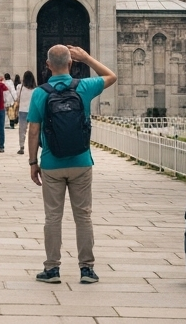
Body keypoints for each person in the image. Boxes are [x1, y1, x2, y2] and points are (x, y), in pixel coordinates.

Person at [27, 45, 115, 285]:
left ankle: (52, 269)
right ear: (71, 64)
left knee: (53, 217)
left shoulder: (40, 93)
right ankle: (87, 269)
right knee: (83, 216)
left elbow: (33, 130)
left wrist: (33, 162)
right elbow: (111, 76)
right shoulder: (83, 87)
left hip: (52, 162)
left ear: (47, 66)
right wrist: (87, 58)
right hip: (81, 161)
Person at [16, 70, 38, 155]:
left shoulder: (19, 87)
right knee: (33, 131)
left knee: (22, 130)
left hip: (22, 110)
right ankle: (34, 147)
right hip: (33, 111)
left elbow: (17, 97)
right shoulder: (36, 89)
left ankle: (21, 146)